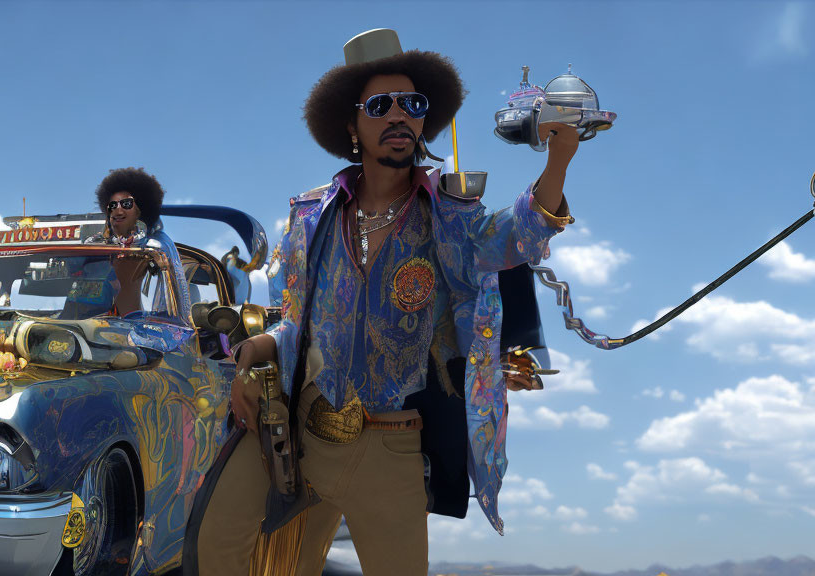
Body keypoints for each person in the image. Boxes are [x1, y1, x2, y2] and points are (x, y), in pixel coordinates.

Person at [189, 28, 579, 576]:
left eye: (412, 104)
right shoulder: (309, 217)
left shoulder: (449, 212)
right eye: (380, 105)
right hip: (296, 429)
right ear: (352, 126)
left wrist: (560, 157)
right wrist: (258, 346)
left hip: (389, 447)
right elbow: (298, 323)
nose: (400, 115)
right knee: (217, 545)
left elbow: (513, 237)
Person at [80, 167, 190, 317]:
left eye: (126, 204)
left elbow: (173, 314)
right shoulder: (97, 246)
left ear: (140, 210)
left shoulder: (156, 245)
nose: (117, 211)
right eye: (113, 206)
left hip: (139, 329)